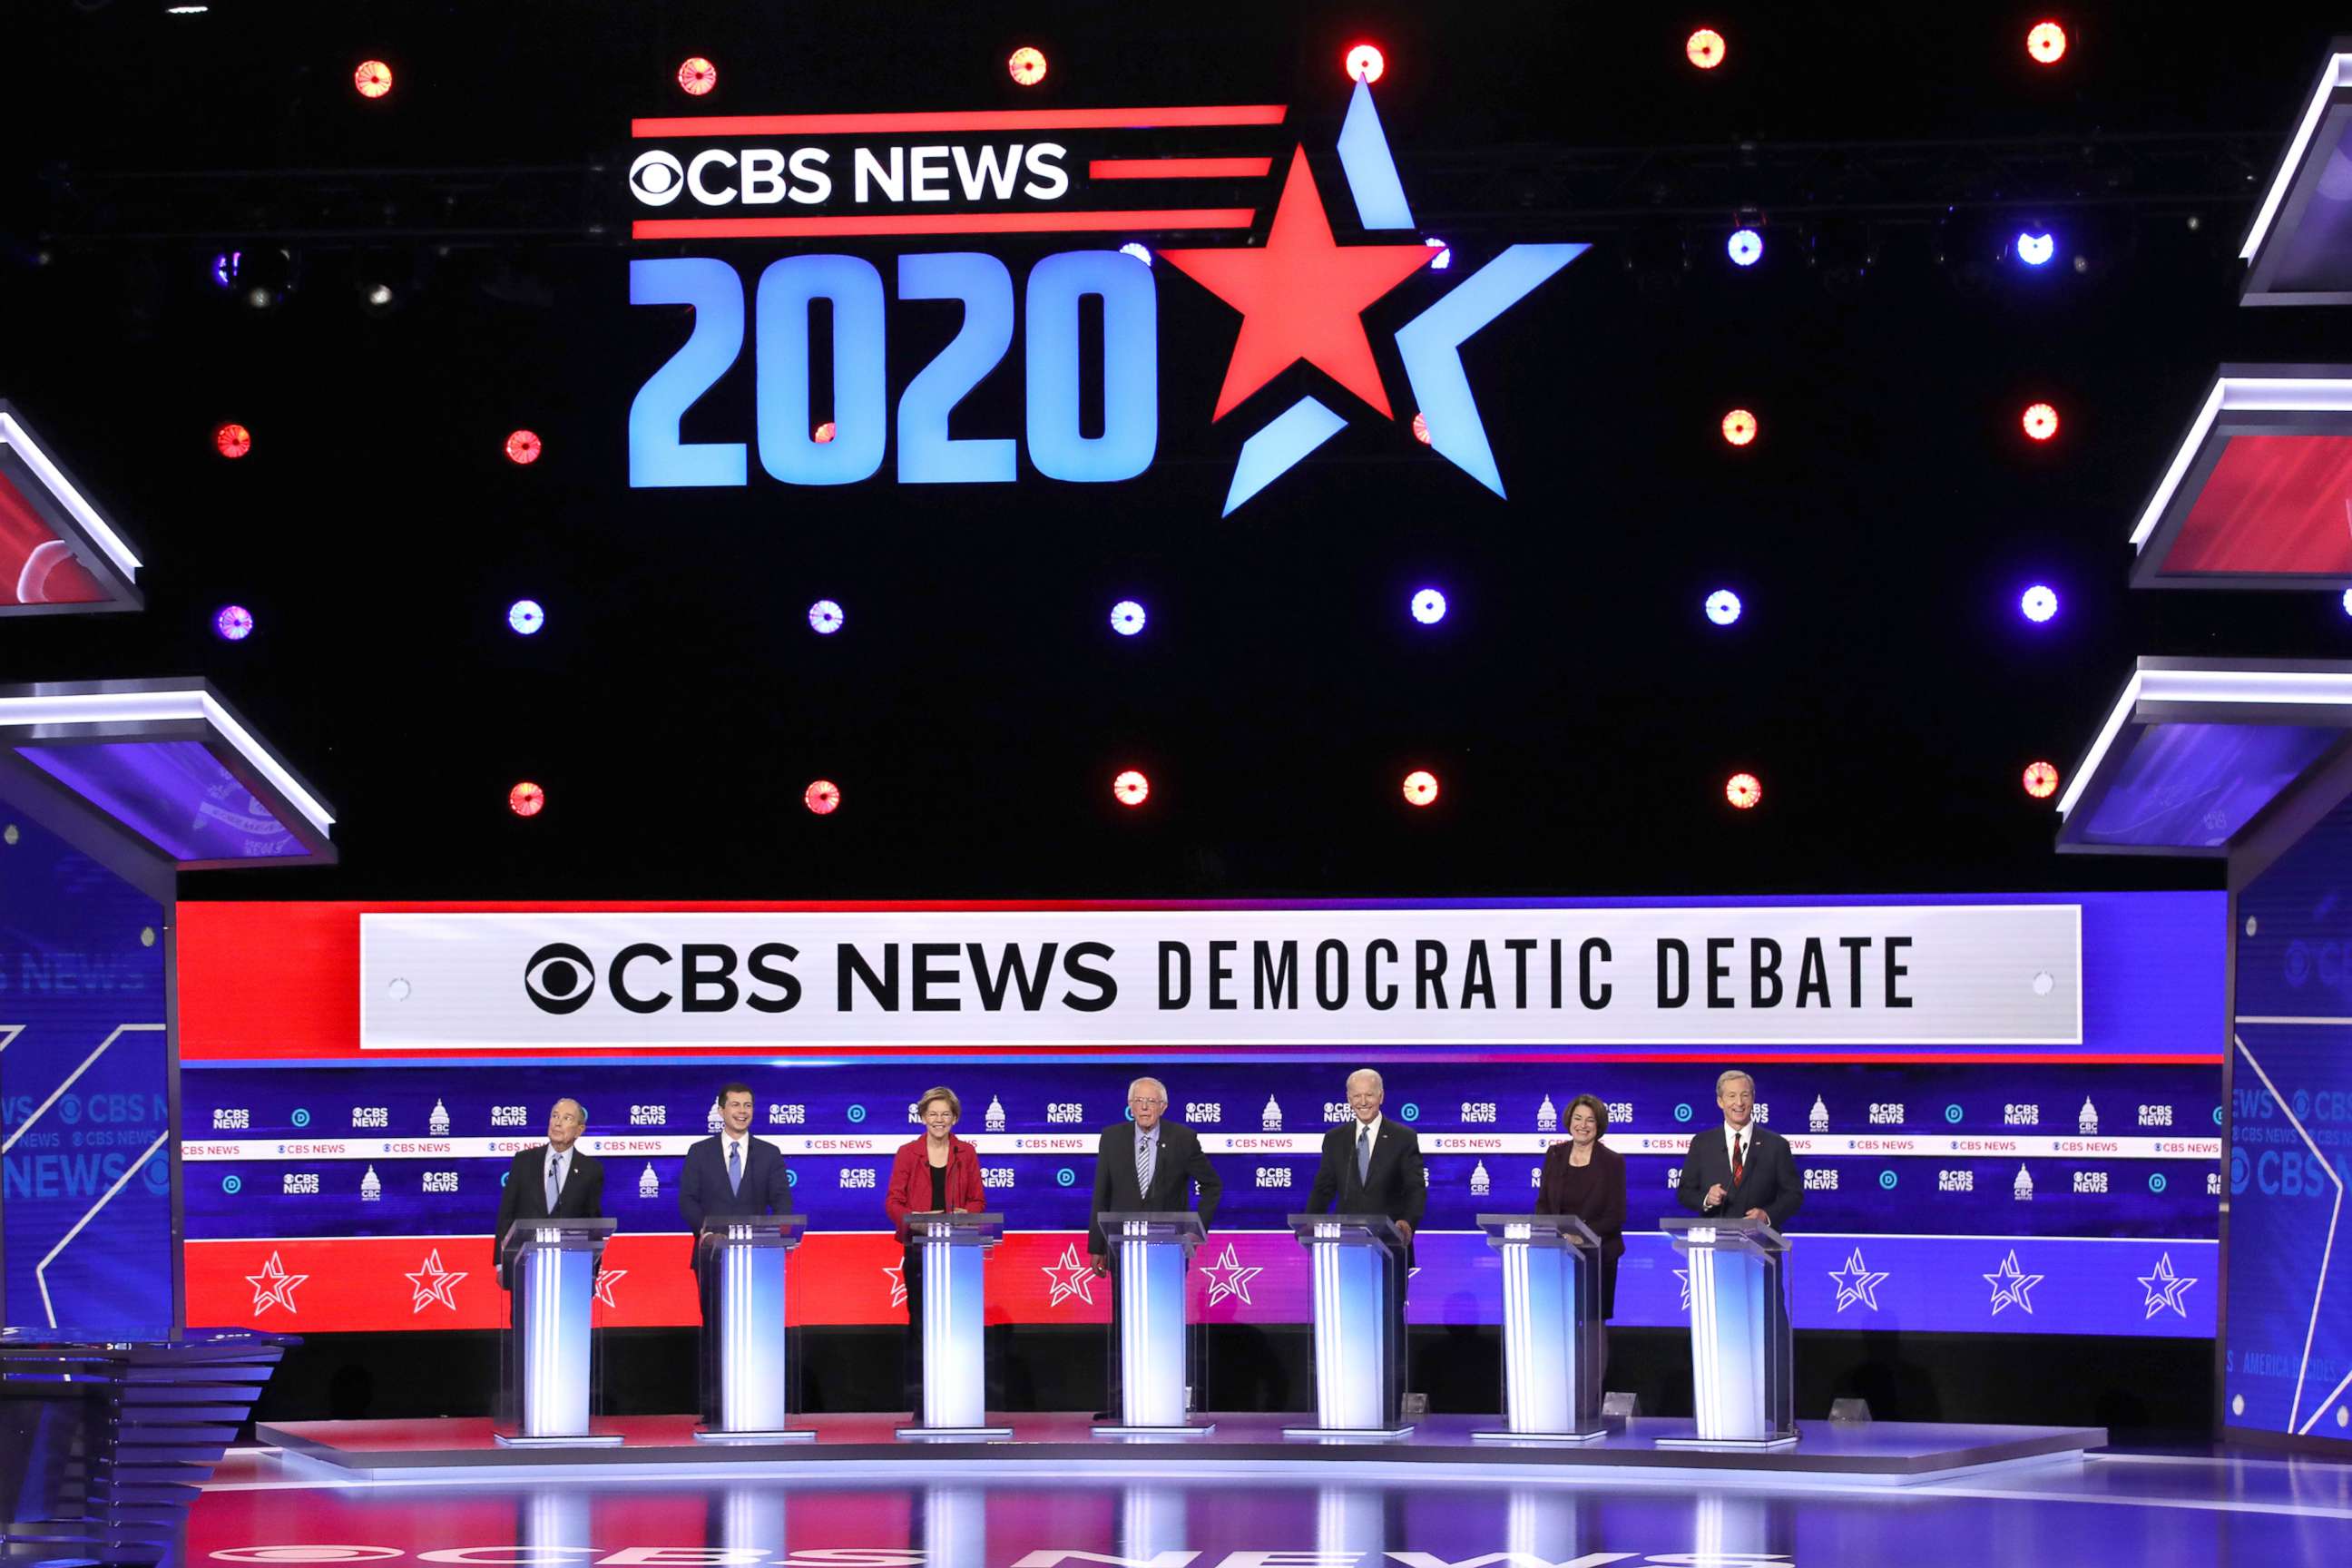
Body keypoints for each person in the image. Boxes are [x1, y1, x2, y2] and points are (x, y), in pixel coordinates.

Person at [1087, 1076, 1224, 1417]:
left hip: (1168, 1248)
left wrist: (1196, 1229)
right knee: (1124, 1321)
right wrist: (1097, 1246)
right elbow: (1101, 1193)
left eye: (1151, 1102)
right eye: (1139, 1101)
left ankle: (1165, 1398)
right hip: (1123, 1248)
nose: (1145, 1108)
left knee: (1163, 1321)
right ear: (1130, 1105)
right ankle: (1122, 1402)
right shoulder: (1112, 1138)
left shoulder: (1183, 1139)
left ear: (1164, 1106)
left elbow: (1212, 1186)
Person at [1306, 1067, 1425, 1423]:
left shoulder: (1403, 1137)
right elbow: (1324, 1187)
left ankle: (1388, 1407)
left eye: (1368, 1094)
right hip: (1345, 1251)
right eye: (1355, 1096)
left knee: (1388, 1327)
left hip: (1389, 1248)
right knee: (1347, 1324)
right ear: (1348, 1099)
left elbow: (1416, 1189)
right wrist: (1309, 1223)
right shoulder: (1335, 1139)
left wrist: (1407, 1223)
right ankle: (1347, 1403)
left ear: (1381, 1096)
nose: (1363, 1101)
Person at [677, 1082, 794, 1421]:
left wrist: (776, 1230)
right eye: (735, 1105)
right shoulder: (699, 1151)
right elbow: (688, 1200)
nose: (742, 1112)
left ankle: (761, 1405)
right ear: (721, 1110)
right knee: (716, 1328)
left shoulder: (769, 1153)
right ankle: (716, 1409)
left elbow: (782, 1203)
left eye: (747, 1106)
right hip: (713, 1255)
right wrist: (707, 1231)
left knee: (758, 1329)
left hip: (758, 1258)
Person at [884, 1085, 987, 1414]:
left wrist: (965, 1216)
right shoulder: (907, 1152)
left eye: (945, 1114)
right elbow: (893, 1202)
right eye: (933, 1114)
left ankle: (959, 1397)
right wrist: (914, 1221)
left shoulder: (965, 1153)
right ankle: (922, 1401)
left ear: (954, 1117)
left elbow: (978, 1201)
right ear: (923, 1117)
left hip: (958, 1250)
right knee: (921, 1324)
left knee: (958, 1322)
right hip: (919, 1249)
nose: (939, 1120)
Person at [1535, 1093, 1628, 1374]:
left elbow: (1616, 1214)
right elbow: (1543, 1204)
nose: (1583, 1125)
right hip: (1557, 1257)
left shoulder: (1612, 1162)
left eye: (1590, 1120)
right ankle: (1556, 1394)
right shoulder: (1555, 1155)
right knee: (1556, 1323)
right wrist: (1548, 1237)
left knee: (1591, 1326)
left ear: (1599, 1125)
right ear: (1568, 1121)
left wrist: (1581, 1237)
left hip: (1597, 1257)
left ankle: (1587, 1406)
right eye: (1578, 1119)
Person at [491, 1097, 603, 1289]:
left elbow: (593, 1226)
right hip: (524, 1267)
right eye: (555, 1116)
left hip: (570, 1271)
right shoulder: (524, 1161)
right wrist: (501, 1265)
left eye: (567, 1118)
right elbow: (506, 1215)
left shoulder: (590, 1170)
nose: (558, 1123)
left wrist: (591, 1273)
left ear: (579, 1130)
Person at [1675, 1069, 1803, 1227]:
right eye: (1732, 1096)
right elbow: (1685, 1193)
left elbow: (1793, 1195)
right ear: (1720, 1102)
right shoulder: (1702, 1143)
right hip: (1716, 1243)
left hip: (1762, 1244)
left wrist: (1767, 1215)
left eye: (1745, 1095)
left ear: (1753, 1099)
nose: (1739, 1103)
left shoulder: (1776, 1145)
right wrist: (1707, 1199)